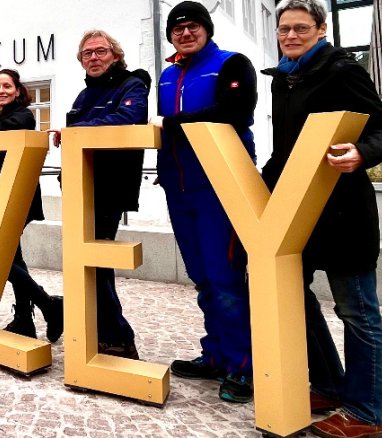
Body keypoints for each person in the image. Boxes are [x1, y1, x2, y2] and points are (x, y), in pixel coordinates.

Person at [262, 1, 382, 437]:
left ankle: (364, 413)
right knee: (291, 296)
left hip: (344, 213)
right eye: (284, 29)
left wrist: (362, 153)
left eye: (301, 28)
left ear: (320, 29)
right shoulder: (283, 78)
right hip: (298, 212)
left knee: (356, 311)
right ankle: (327, 384)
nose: (291, 35)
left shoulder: (343, 70)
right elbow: (286, 152)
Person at [149, 1, 257, 403]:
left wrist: (172, 124)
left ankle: (242, 366)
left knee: (225, 278)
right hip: (180, 189)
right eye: (177, 29)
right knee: (201, 277)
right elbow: (161, 130)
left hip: (220, 188)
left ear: (207, 29)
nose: (185, 33)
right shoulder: (168, 74)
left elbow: (233, 112)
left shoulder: (232, 63)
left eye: (193, 26)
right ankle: (215, 355)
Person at [51, 30, 150, 359]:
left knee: (97, 263)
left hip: (109, 189)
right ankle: (102, 333)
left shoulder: (132, 85)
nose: (93, 58)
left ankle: (118, 336)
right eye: (86, 54)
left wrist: (75, 130)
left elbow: (128, 118)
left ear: (115, 55)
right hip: (81, 187)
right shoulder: (83, 95)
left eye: (100, 52)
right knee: (89, 264)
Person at [0, 69, 63, 343]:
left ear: (17, 90)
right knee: (12, 257)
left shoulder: (23, 115)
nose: (0, 91)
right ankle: (26, 319)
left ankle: (48, 304)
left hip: (17, 196)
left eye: (6, 86)